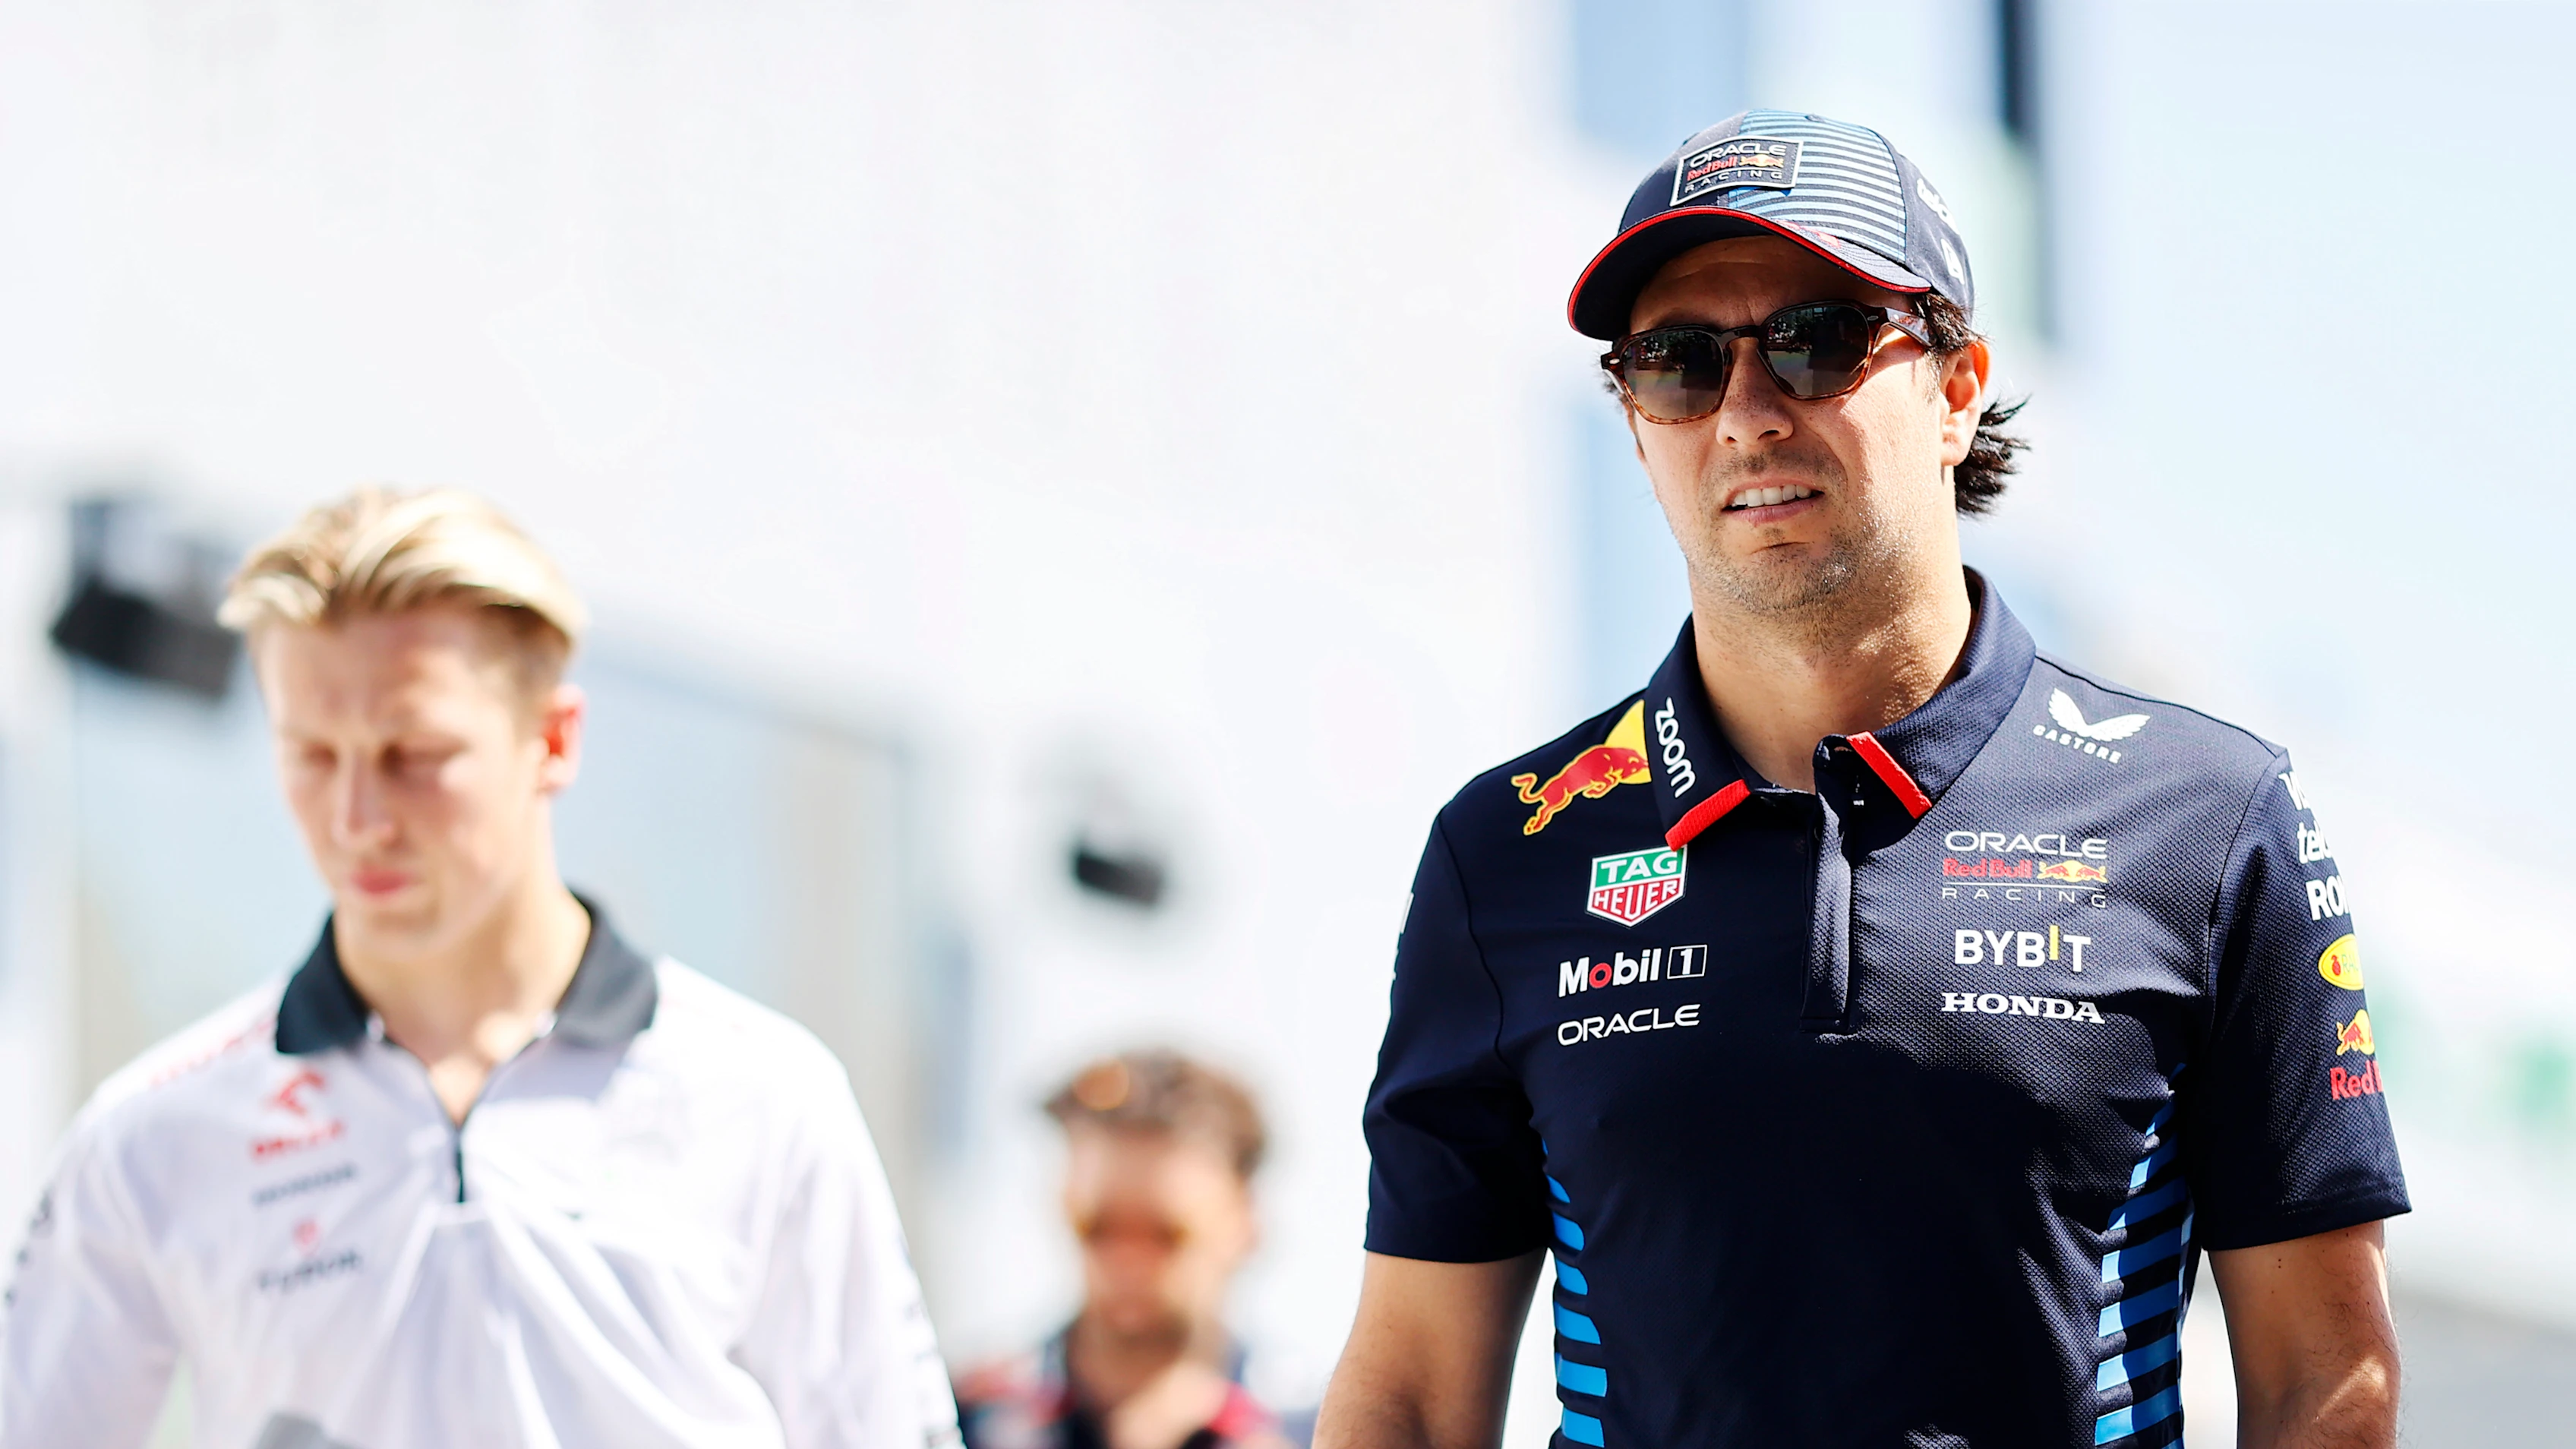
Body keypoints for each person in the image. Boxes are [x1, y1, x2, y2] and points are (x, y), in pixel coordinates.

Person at [1315, 110, 2407, 1449]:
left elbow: (2325, 1377)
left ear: (1957, 390)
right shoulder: (1508, 848)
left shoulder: (2207, 817)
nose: (1746, 413)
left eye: (1815, 340)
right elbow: (1413, 1390)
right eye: (1677, 362)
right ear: (1635, 422)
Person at [0, 488, 961, 1448]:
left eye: (413, 755)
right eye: (313, 755)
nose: (357, 818)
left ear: (553, 740)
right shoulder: (154, 1131)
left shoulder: (767, 1097)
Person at [956, 1050, 1296, 1449]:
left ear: (1246, 1222)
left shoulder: (1324, 1428)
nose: (1128, 1262)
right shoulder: (963, 1418)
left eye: (1166, 1235)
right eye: (1098, 1230)